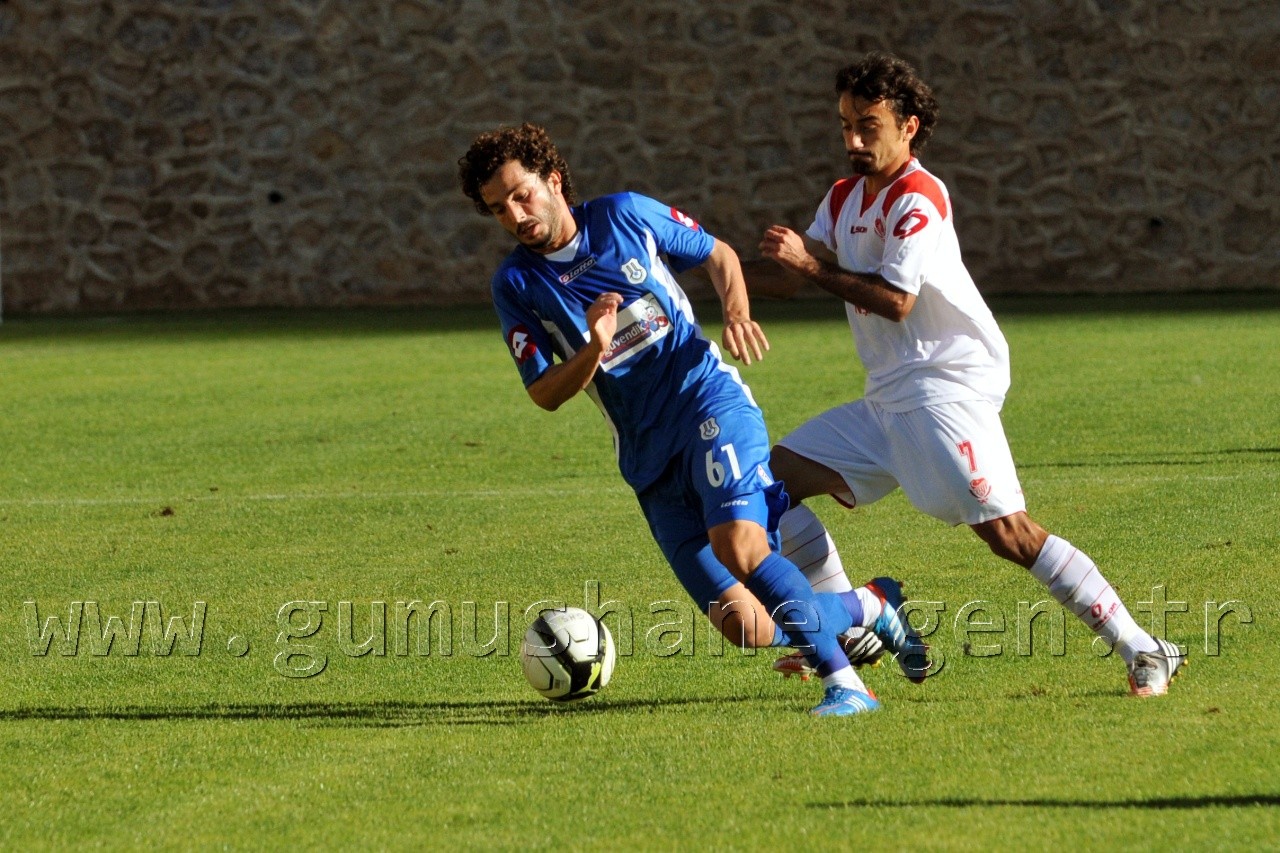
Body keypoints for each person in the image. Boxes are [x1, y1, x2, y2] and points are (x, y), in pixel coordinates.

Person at [747, 53, 1185, 698]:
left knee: (1009, 534)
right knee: (762, 488)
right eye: (845, 125)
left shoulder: (919, 197)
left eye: (869, 126)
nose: (853, 141)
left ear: (910, 126)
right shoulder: (842, 197)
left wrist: (809, 269)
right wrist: (707, 267)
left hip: (944, 390)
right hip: (886, 402)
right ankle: (853, 625)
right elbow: (790, 275)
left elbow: (895, 299)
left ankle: (1144, 648)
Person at [458, 122, 927, 716]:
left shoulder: (627, 215)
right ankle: (866, 608)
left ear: (553, 179)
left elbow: (718, 254)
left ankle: (848, 685)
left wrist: (735, 311)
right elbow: (546, 393)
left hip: (709, 404)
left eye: (522, 194)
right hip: (647, 458)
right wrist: (591, 351)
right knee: (745, 626)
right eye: (499, 209)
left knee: (741, 545)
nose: (517, 214)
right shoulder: (517, 284)